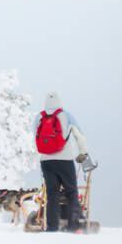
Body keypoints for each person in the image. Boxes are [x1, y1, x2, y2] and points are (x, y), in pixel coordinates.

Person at [35, 92, 94, 232]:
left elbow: (35, 138)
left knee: (52, 194)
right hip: (65, 160)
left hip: (46, 161)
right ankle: (74, 226)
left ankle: (52, 227)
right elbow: (80, 137)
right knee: (71, 192)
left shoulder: (39, 117)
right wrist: (83, 154)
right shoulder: (66, 116)